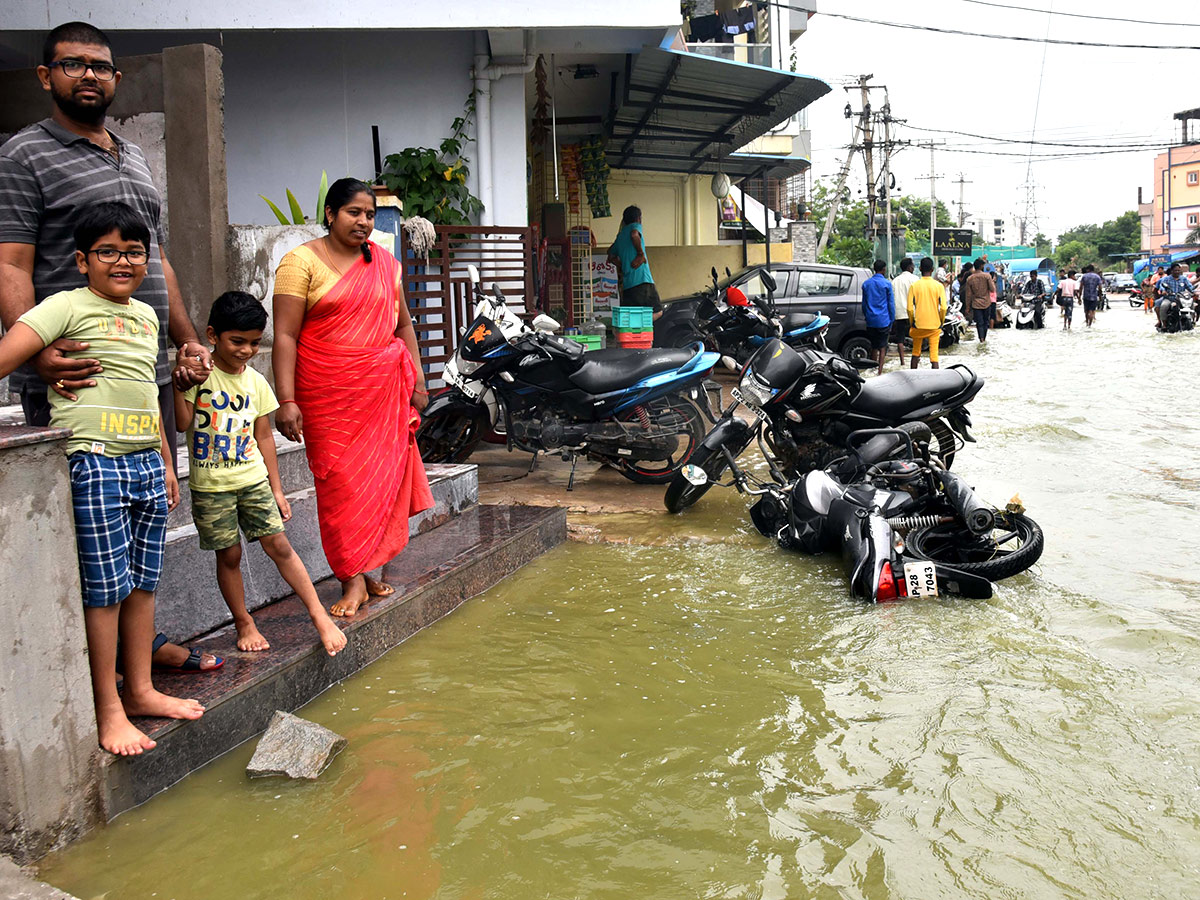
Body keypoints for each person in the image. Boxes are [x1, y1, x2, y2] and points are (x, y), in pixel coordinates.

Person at [0, 20, 219, 673]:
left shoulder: (133, 155)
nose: (88, 75)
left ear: (116, 79)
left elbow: (160, 260)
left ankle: (138, 655)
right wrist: (37, 350)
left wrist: (185, 338)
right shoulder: (24, 155)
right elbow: (11, 265)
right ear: (47, 76)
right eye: (73, 64)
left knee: (144, 521)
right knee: (91, 531)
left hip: (142, 369)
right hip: (75, 374)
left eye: (99, 65)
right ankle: (82, 671)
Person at [0, 201, 205, 755]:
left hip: (144, 460)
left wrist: (166, 460)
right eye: (108, 252)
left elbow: (146, 390)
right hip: (94, 461)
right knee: (104, 590)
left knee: (142, 584)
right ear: (82, 259)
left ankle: (140, 690)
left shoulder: (144, 316)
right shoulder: (62, 307)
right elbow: (7, 354)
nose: (122, 261)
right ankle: (108, 708)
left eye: (134, 252)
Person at [272, 178, 434, 617]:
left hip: (382, 394)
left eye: (368, 214)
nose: (363, 221)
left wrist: (417, 382)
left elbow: (402, 326)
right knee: (341, 485)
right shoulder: (299, 263)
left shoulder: (385, 263)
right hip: (327, 395)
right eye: (353, 213)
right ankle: (350, 579)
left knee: (378, 483)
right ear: (330, 214)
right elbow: (285, 335)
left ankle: (365, 572)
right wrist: (286, 400)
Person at [176, 291, 348, 656]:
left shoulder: (255, 382)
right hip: (211, 487)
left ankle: (318, 614)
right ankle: (244, 621)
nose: (245, 350)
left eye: (254, 343)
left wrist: (278, 488)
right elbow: (181, 423)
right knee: (230, 555)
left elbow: (264, 436)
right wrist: (181, 387)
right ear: (212, 336)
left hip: (253, 481)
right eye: (237, 341)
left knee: (280, 546)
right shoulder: (198, 379)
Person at [606, 205, 663, 321]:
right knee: (658, 312)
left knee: (630, 316)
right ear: (638, 218)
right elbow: (634, 234)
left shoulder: (620, 236)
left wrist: (622, 265)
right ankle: (640, 327)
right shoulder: (635, 226)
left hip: (628, 286)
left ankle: (635, 334)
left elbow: (610, 255)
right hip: (642, 280)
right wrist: (640, 254)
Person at [908, 257, 947, 369]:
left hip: (918, 325)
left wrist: (912, 322)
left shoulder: (914, 286)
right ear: (933, 269)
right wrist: (941, 321)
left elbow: (910, 309)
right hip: (934, 326)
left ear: (920, 268)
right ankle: (935, 383)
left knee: (916, 352)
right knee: (934, 356)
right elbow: (943, 307)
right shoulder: (939, 286)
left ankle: (913, 379)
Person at [860, 259, 894, 375]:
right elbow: (890, 304)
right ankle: (880, 371)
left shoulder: (866, 284)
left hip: (871, 320)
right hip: (883, 320)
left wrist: (866, 316)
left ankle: (872, 369)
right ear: (884, 269)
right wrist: (891, 320)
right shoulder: (887, 284)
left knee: (874, 346)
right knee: (883, 346)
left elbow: (864, 304)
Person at [890, 257, 918, 365]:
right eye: (913, 266)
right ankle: (916, 358)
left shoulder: (895, 281)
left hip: (899, 313)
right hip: (914, 312)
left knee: (900, 339)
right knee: (916, 337)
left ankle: (902, 362)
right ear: (910, 267)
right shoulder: (915, 279)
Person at [1154, 262, 1192, 330]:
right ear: (1172, 271)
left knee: (1193, 305)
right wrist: (1163, 291)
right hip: (1169, 299)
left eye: (1178, 270)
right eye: (1175, 270)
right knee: (1164, 306)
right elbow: (1162, 286)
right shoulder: (1166, 279)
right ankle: (1164, 324)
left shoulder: (1184, 279)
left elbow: (1190, 287)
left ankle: (1192, 320)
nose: (1177, 272)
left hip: (1181, 299)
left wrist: (1194, 292)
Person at [964, 258, 993, 344]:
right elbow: (992, 289)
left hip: (976, 304)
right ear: (981, 266)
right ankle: (984, 338)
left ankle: (981, 339)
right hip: (986, 302)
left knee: (979, 323)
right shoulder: (987, 276)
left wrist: (967, 307)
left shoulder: (970, 278)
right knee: (985, 322)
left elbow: (968, 295)